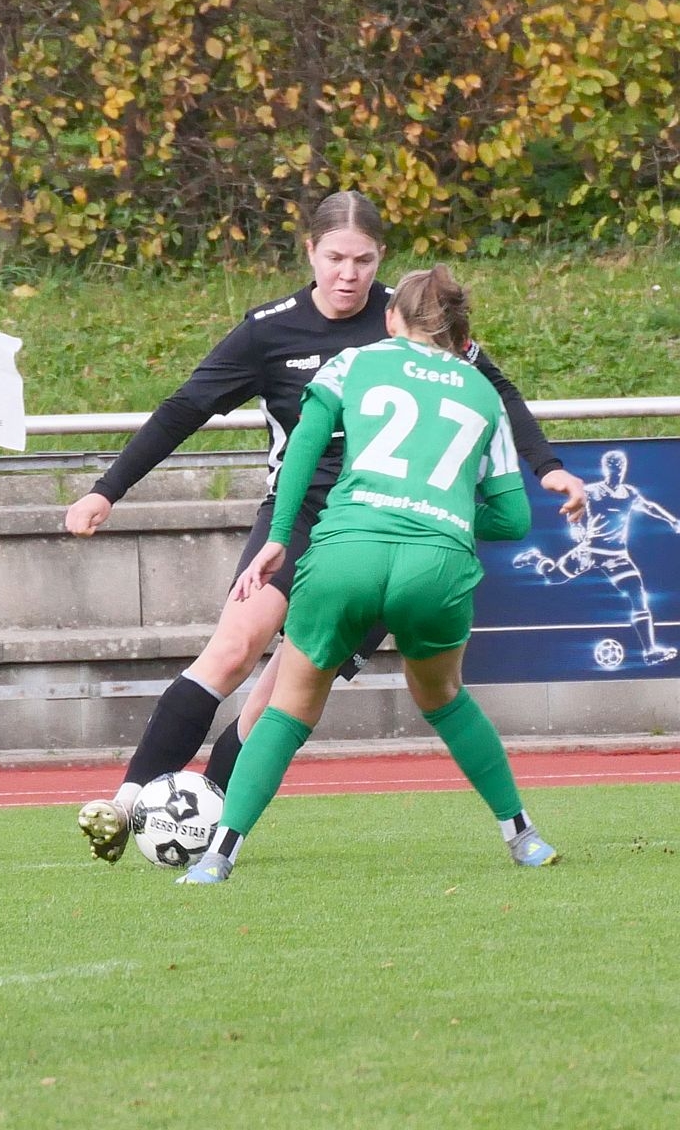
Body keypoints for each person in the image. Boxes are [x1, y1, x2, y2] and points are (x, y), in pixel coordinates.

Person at [65, 191, 585, 863]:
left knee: (277, 694)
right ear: (309, 252)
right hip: (301, 512)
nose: (349, 274)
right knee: (233, 647)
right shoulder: (270, 330)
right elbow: (185, 407)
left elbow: (496, 391)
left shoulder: (413, 315)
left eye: (363, 260)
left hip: (374, 528)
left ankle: (206, 819)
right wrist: (107, 489)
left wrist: (547, 467)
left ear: (381, 259)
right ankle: (127, 801)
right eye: (336, 258)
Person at [179, 265, 559, 882]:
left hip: (346, 551)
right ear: (460, 329)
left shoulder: (353, 362)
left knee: (290, 706)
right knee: (444, 698)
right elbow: (514, 519)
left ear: (390, 318)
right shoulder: (482, 391)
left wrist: (278, 538)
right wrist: (444, 519)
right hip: (436, 565)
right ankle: (523, 837)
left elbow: (304, 444)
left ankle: (218, 857)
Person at [513, 448, 680, 666]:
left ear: (624, 468)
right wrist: (575, 526)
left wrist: (672, 521)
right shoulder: (592, 491)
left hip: (617, 556)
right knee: (554, 577)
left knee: (637, 595)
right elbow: (572, 506)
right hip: (591, 551)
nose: (617, 472)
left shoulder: (629, 493)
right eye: (613, 468)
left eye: (620, 468)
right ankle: (535, 558)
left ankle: (649, 651)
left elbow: (649, 507)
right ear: (605, 469)